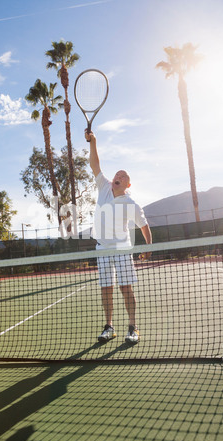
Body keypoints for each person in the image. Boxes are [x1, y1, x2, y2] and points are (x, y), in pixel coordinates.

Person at [85, 130, 152, 345]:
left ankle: (132, 327)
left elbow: (144, 225)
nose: (117, 176)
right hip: (102, 247)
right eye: (117, 174)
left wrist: (148, 246)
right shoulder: (104, 186)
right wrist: (93, 142)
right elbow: (95, 164)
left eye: (122, 176)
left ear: (127, 184)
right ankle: (109, 327)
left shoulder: (131, 204)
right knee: (106, 288)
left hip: (122, 248)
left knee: (125, 287)